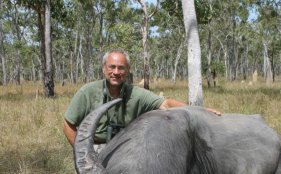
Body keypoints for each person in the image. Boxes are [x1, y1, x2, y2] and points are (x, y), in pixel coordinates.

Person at [64, 49, 220, 146]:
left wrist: (200, 111)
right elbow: (69, 124)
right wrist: (81, 152)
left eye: (121, 68)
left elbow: (166, 103)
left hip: (125, 148)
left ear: (128, 70)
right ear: (104, 68)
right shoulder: (87, 92)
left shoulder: (136, 93)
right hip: (95, 146)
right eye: (112, 67)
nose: (116, 72)